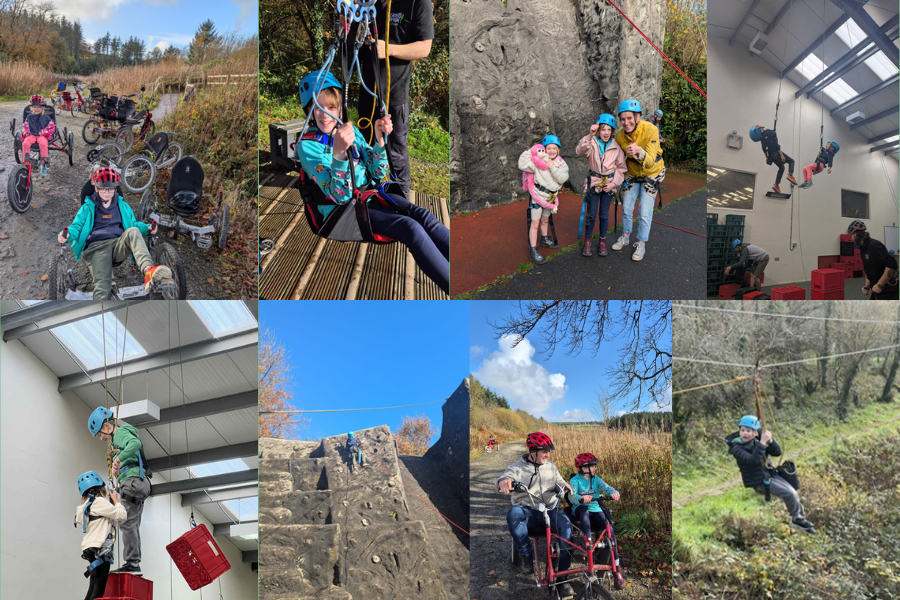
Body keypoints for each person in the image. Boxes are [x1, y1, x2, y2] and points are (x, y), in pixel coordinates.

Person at [296, 70, 450, 293]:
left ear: (340, 107)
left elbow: (376, 173)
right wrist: (339, 154)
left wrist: (379, 141)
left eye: (330, 107)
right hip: (340, 212)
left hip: (367, 196)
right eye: (317, 108)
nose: (325, 115)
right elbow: (340, 196)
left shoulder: (350, 131)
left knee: (423, 215)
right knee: (410, 228)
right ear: (309, 111)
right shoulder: (308, 146)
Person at [57, 167, 171, 300]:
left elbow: (133, 225)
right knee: (103, 287)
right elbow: (76, 227)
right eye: (103, 189)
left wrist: (147, 228)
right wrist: (68, 234)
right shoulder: (87, 208)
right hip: (96, 248)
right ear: (96, 189)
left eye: (110, 189)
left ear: (115, 189)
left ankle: (148, 270)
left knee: (132, 231)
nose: (107, 192)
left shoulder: (123, 206)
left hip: (118, 244)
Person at [358, 0, 434, 195]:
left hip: (395, 95)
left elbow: (425, 47)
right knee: (363, 147)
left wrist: (389, 49)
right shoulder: (367, 3)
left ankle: (402, 203)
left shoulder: (416, 2)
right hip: (367, 92)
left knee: (395, 154)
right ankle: (365, 197)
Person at [497, 432, 577, 600]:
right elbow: (505, 477)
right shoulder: (517, 467)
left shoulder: (551, 466)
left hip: (552, 508)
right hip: (529, 510)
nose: (547, 454)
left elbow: (559, 480)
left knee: (568, 530)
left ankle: (562, 578)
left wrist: (564, 485)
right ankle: (526, 555)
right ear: (533, 451)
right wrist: (504, 481)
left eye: (549, 451)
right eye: (544, 451)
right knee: (514, 514)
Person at [88, 407, 152, 575]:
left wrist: (118, 459)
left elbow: (136, 444)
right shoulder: (118, 438)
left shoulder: (120, 433)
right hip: (138, 483)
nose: (101, 438)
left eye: (99, 433)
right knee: (132, 525)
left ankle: (132, 564)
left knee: (126, 523)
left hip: (133, 482)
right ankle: (134, 562)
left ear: (105, 425)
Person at [726, 415, 815, 534]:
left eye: (748, 431)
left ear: (755, 433)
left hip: (769, 474)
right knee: (789, 493)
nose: (745, 433)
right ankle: (796, 519)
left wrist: (770, 441)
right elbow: (752, 460)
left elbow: (777, 452)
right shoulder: (736, 448)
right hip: (759, 482)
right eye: (742, 430)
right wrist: (762, 443)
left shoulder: (756, 441)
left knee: (793, 491)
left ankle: (801, 519)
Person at [611, 99, 665, 262]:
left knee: (644, 212)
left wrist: (639, 151)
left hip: (651, 173)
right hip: (633, 174)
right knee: (626, 208)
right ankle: (626, 236)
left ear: (637, 117)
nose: (626, 122)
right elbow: (614, 154)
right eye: (623, 119)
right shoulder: (620, 135)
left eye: (629, 118)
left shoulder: (651, 130)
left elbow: (649, 161)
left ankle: (641, 243)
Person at [566, 453, 626, 589]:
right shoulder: (575, 480)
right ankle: (588, 539)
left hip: (595, 508)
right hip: (580, 508)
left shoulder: (596, 479)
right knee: (584, 510)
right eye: (592, 466)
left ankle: (617, 570)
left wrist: (614, 492)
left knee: (609, 530)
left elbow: (607, 487)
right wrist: (580, 499)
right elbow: (571, 496)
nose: (595, 468)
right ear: (584, 467)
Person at [576, 113, 626, 257]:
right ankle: (588, 241)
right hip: (594, 182)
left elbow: (621, 168)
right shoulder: (592, 142)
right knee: (591, 215)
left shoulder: (616, 147)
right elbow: (580, 151)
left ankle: (602, 241)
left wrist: (613, 184)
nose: (606, 132)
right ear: (598, 130)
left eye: (609, 129)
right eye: (603, 129)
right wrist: (589, 135)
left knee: (604, 214)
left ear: (612, 131)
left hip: (609, 184)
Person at [75, 471, 127, 600]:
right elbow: (122, 515)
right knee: (98, 591)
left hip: (90, 547)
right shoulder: (99, 502)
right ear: (94, 490)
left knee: (93, 587)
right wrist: (116, 500)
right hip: (101, 548)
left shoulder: (83, 507)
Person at [519, 135, 569, 264]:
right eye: (548, 148)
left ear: (558, 150)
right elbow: (522, 164)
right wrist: (531, 151)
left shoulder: (561, 163)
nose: (552, 151)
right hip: (538, 197)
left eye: (554, 148)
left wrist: (552, 166)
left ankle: (544, 238)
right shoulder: (537, 162)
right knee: (535, 223)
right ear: (544, 149)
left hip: (550, 199)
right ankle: (533, 250)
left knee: (545, 219)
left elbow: (563, 178)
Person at [848, 220, 899, 299]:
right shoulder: (863, 249)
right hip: (877, 289)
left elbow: (892, 265)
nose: (851, 239)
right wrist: (867, 285)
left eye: (851, 235)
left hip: (889, 289)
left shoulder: (874, 246)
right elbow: (869, 270)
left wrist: (880, 284)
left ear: (855, 234)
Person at [749, 125, 798, 194]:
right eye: (761, 128)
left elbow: (764, 149)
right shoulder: (769, 133)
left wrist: (766, 157)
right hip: (776, 153)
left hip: (771, 156)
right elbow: (775, 145)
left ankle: (776, 185)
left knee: (781, 168)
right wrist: (781, 155)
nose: (763, 128)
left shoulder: (762, 139)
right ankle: (790, 174)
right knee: (791, 161)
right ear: (760, 130)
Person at [21, 95, 55, 176]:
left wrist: (43, 132)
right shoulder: (29, 117)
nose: (36, 109)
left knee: (43, 144)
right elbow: (25, 126)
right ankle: (26, 162)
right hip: (31, 135)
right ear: (32, 107)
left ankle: (44, 163)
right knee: (25, 143)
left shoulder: (46, 117)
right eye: (35, 107)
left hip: (42, 136)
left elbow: (52, 128)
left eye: (39, 107)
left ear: (42, 107)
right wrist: (26, 132)